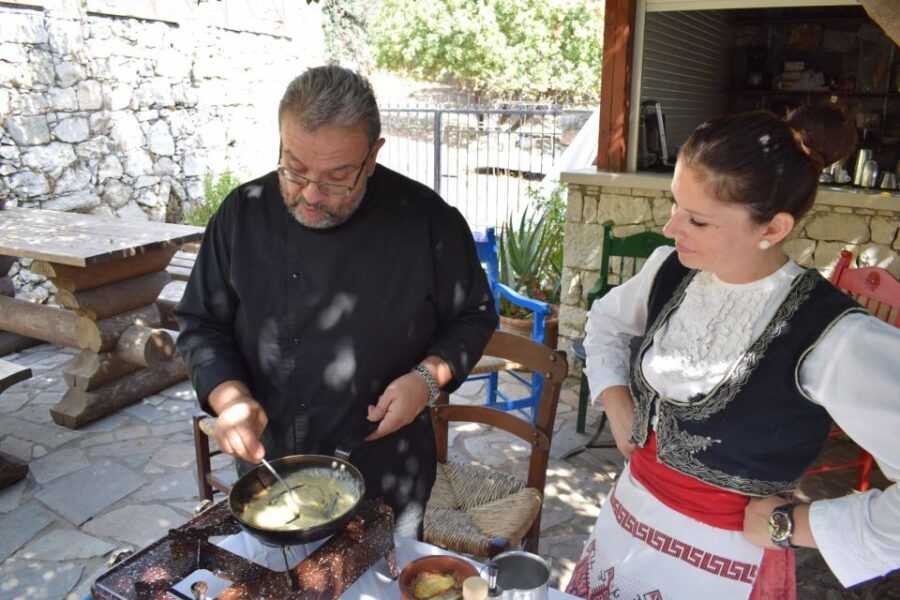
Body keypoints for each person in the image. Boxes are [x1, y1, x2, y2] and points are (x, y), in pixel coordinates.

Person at [566, 104, 900, 599]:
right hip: (626, 521)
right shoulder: (669, 269)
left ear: (773, 228)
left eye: (697, 219)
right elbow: (606, 323)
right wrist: (615, 398)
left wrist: (796, 524)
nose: (670, 228)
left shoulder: (833, 337)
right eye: (675, 204)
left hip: (720, 562)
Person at [175, 65, 498, 537]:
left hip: (387, 468)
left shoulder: (427, 220)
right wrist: (231, 399)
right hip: (272, 469)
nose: (310, 194)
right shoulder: (242, 213)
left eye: (336, 178)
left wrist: (427, 381)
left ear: (372, 158)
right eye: (295, 168)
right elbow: (201, 322)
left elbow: (473, 315)